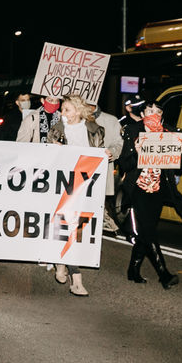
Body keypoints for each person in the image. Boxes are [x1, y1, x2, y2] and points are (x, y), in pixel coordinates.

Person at [45, 93, 109, 297]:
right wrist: (52, 149)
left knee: (78, 231)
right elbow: (47, 159)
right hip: (63, 186)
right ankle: (77, 280)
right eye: (62, 109)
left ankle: (60, 261)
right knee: (68, 228)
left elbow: (99, 154)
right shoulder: (55, 132)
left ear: (78, 110)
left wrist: (107, 154)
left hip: (87, 187)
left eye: (66, 109)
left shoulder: (95, 131)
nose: (62, 113)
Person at [120, 98, 182, 289]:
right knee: (148, 230)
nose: (154, 115)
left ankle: (133, 270)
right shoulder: (133, 131)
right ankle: (163, 274)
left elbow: (177, 168)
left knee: (146, 231)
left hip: (158, 189)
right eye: (149, 111)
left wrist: (180, 153)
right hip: (139, 188)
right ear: (142, 115)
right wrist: (137, 154)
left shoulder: (170, 133)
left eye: (157, 112)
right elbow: (125, 164)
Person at [86, 99, 125, 236]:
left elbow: (119, 143)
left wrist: (112, 152)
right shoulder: (73, 117)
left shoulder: (110, 120)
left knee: (96, 207)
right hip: (78, 174)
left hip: (101, 172)